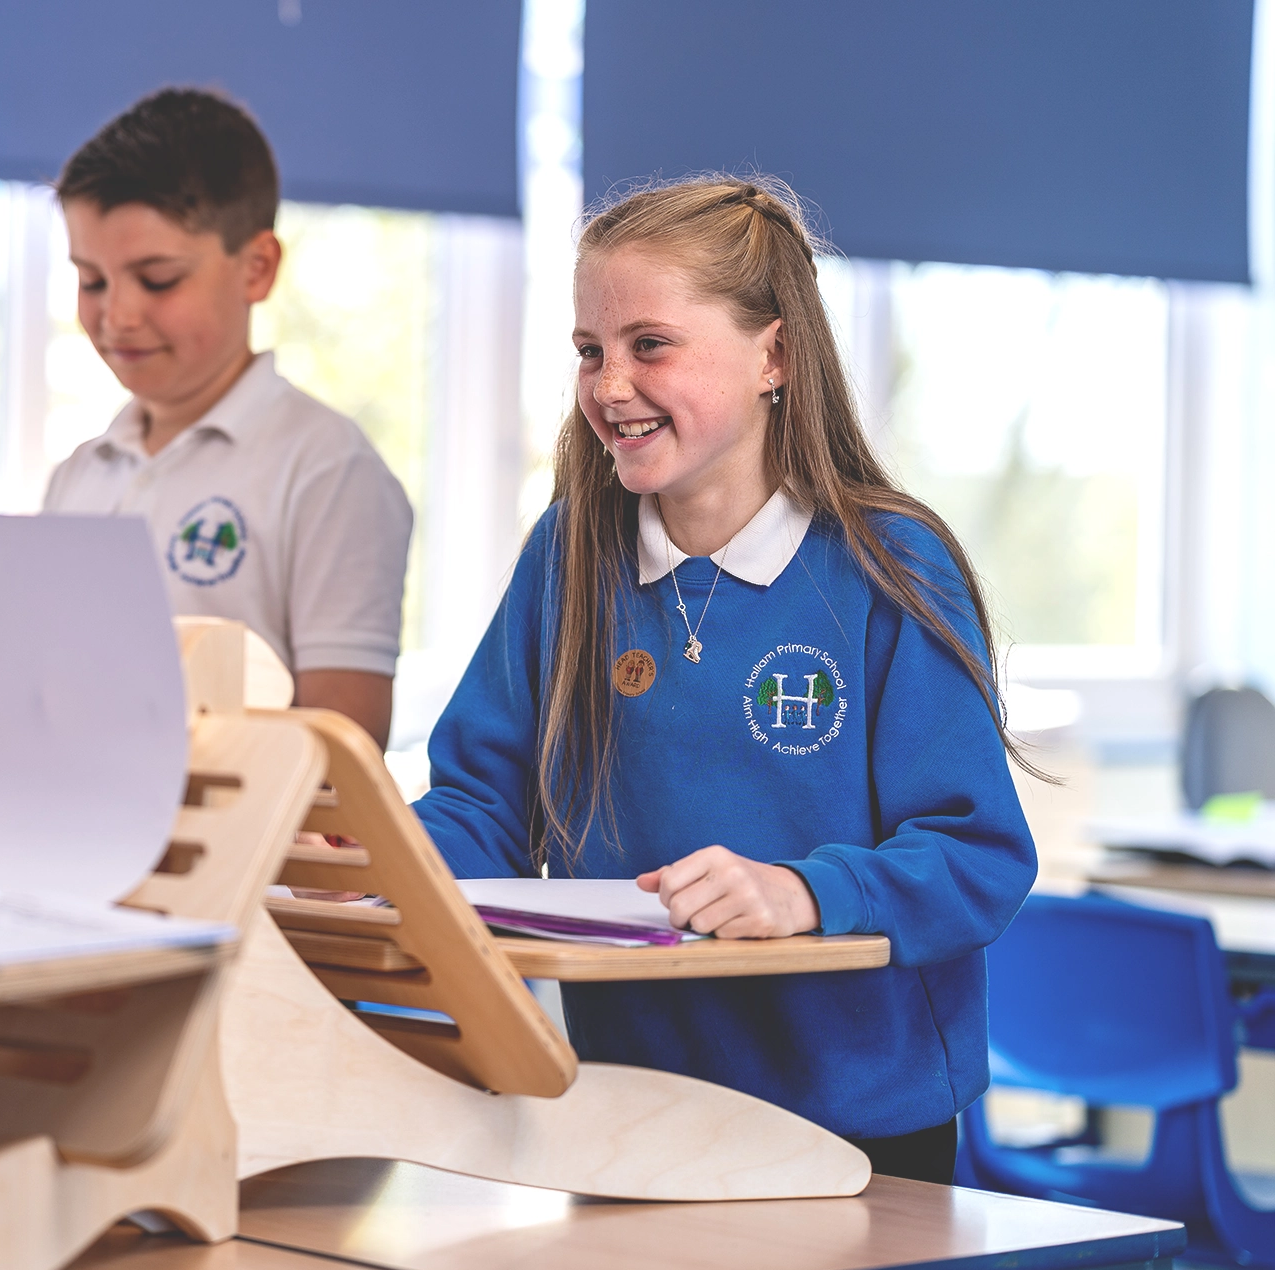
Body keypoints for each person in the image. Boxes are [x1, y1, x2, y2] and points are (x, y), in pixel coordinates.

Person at [413, 175, 1038, 1185]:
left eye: (649, 345)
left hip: (856, 1121)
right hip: (627, 1104)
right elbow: (483, 805)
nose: (609, 383)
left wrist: (803, 889)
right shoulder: (571, 552)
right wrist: (379, 852)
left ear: (775, 355)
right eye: (590, 350)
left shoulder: (889, 564)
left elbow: (976, 856)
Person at [43, 89, 413, 748]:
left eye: (157, 279)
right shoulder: (79, 473)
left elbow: (341, 755)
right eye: (91, 280)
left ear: (258, 268)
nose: (117, 314)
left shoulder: (327, 469)